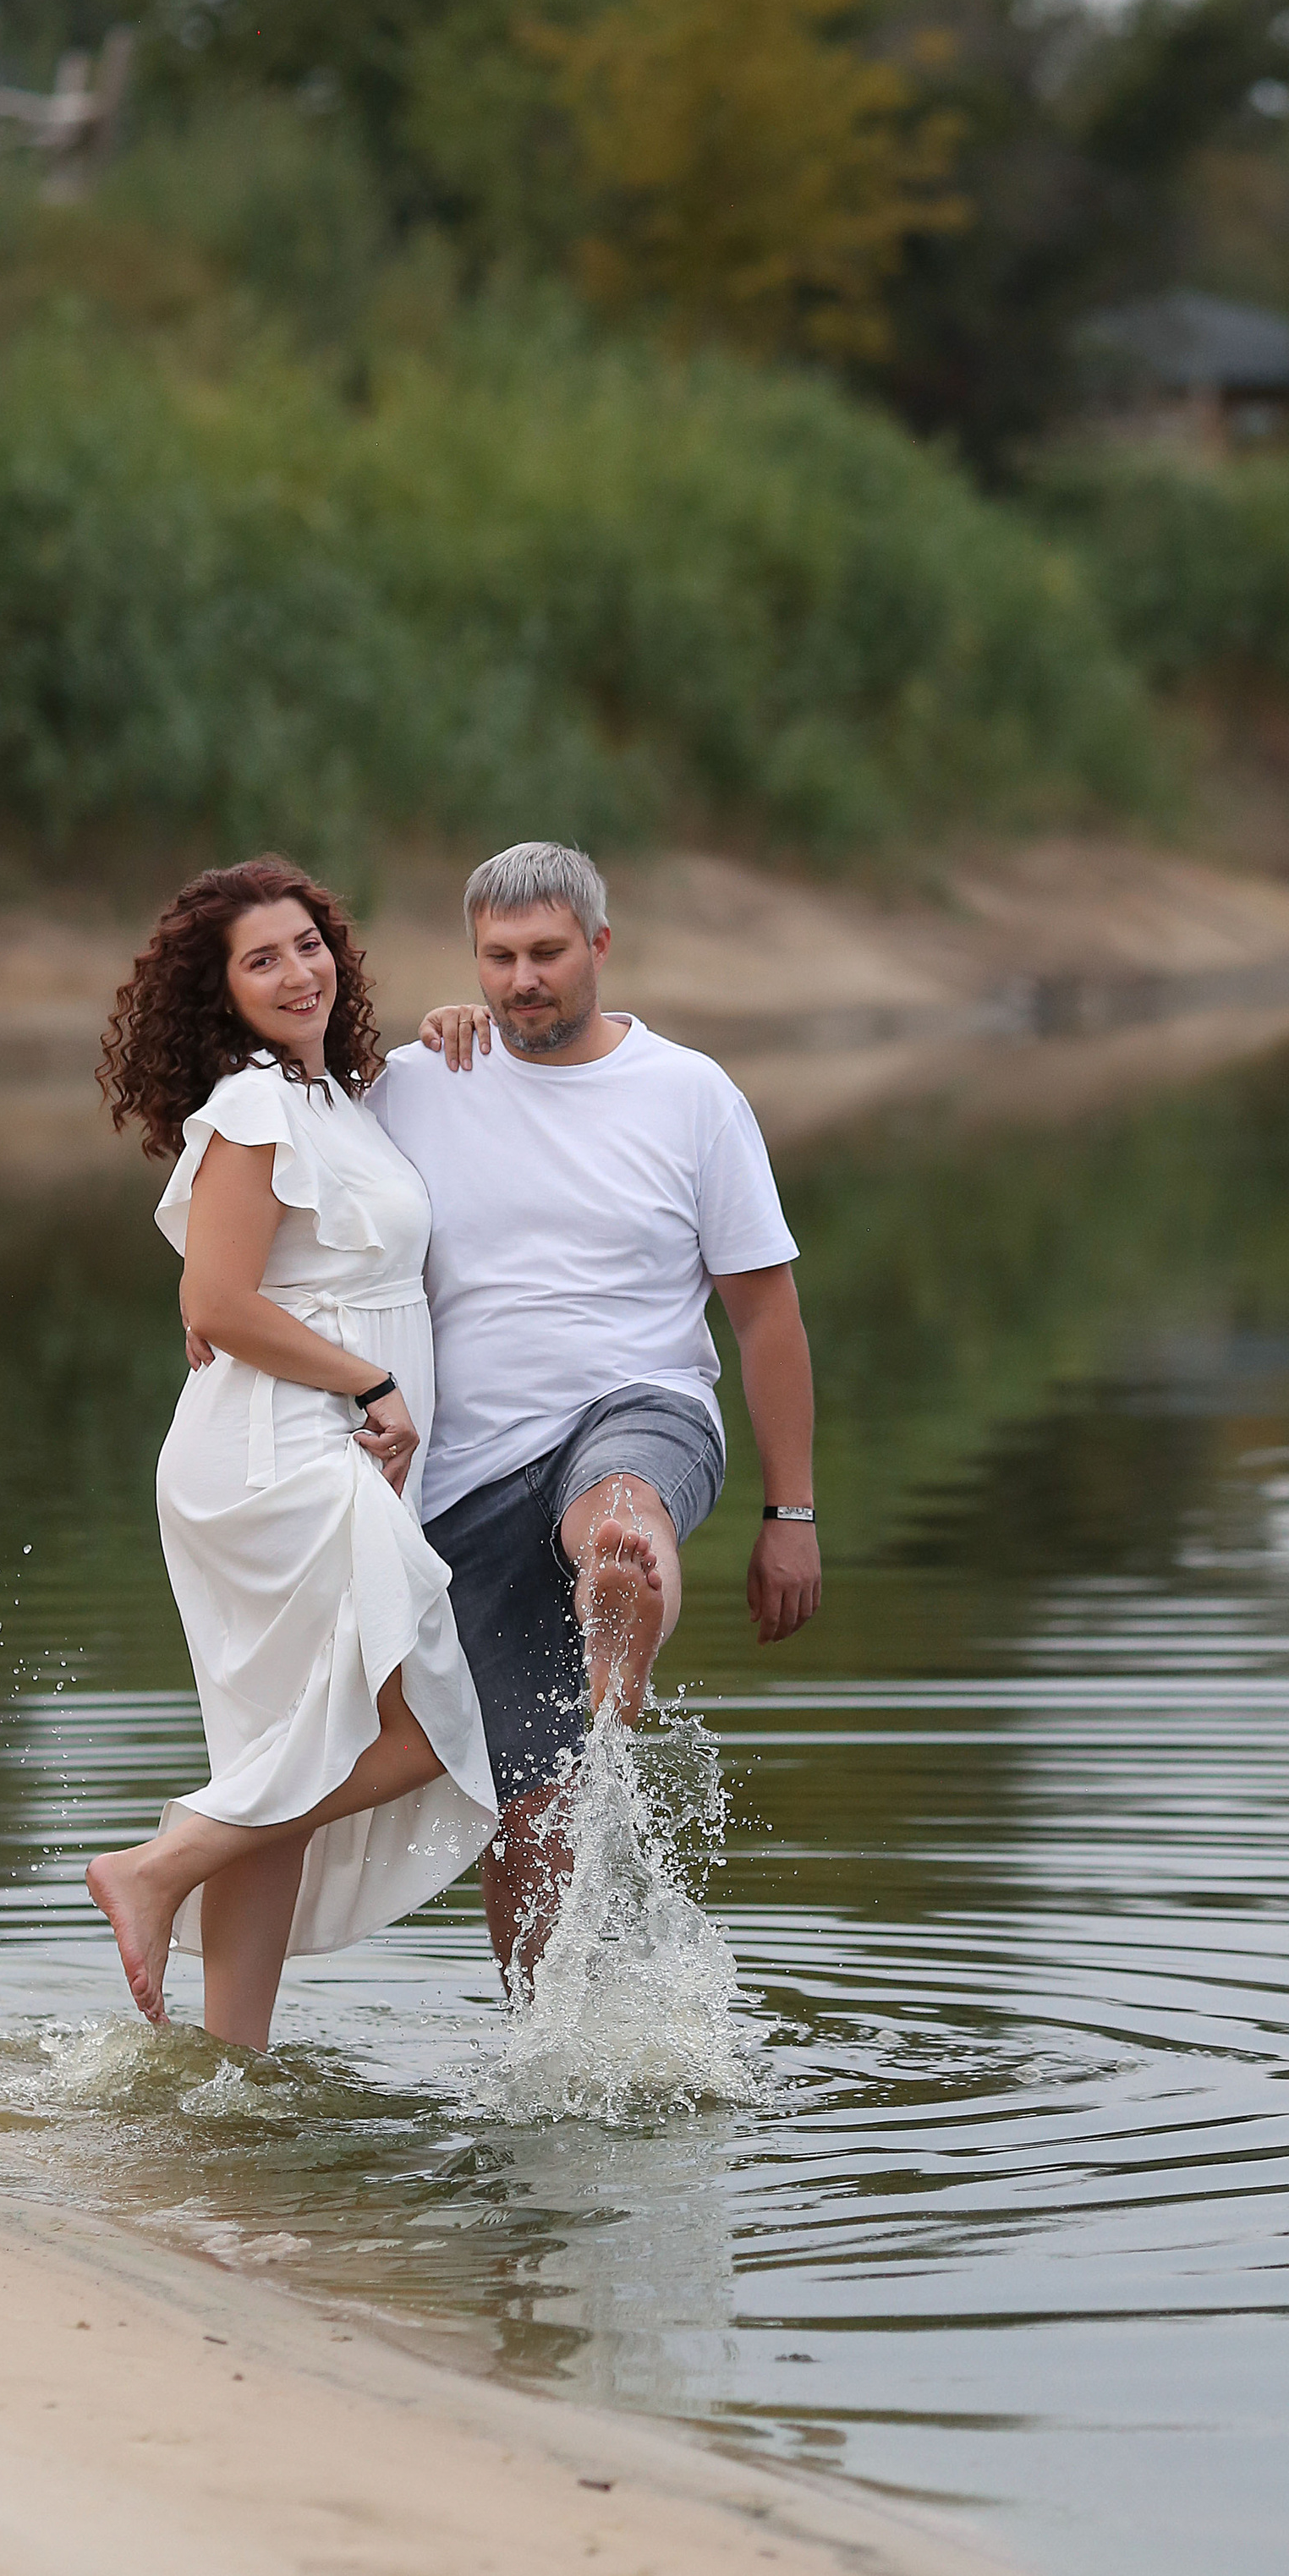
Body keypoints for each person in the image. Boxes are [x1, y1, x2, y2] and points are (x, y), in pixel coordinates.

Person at [370, 838, 820, 1989]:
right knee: (530, 1820)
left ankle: (622, 1614)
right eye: (501, 957)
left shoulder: (691, 1096)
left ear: (600, 947)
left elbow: (766, 1317)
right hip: (463, 1479)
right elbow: (298, 1193)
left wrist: (792, 1511)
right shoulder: (415, 1083)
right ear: (473, 958)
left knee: (617, 1508)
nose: (525, 979)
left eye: (549, 953)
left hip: (643, 1403)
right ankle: (544, 2043)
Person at [83, 858, 497, 2044]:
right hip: (279, 1458)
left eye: (309, 943)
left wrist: (455, 1026)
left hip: (311, 1450)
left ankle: (231, 2068)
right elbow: (216, 1301)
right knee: (424, 1727)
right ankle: (159, 1870)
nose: (298, 970)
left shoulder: (331, 1099)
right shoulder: (257, 1104)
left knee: (281, 1758)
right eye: (262, 959)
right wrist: (369, 1379)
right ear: (222, 993)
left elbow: (263, 1274)